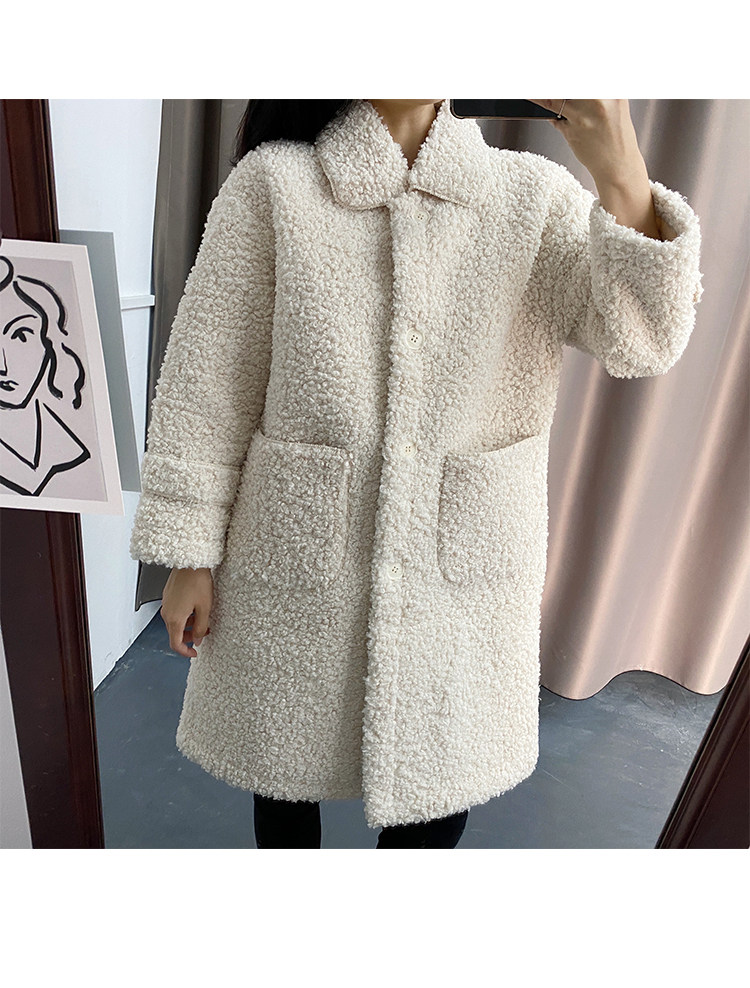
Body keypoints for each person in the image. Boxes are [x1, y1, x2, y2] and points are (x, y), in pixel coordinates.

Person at [130, 100, 703, 849]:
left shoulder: (532, 198)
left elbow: (644, 340)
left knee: (439, 787)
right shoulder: (273, 186)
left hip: (462, 570)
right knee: (279, 769)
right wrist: (189, 553)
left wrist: (621, 172)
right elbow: (208, 379)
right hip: (295, 550)